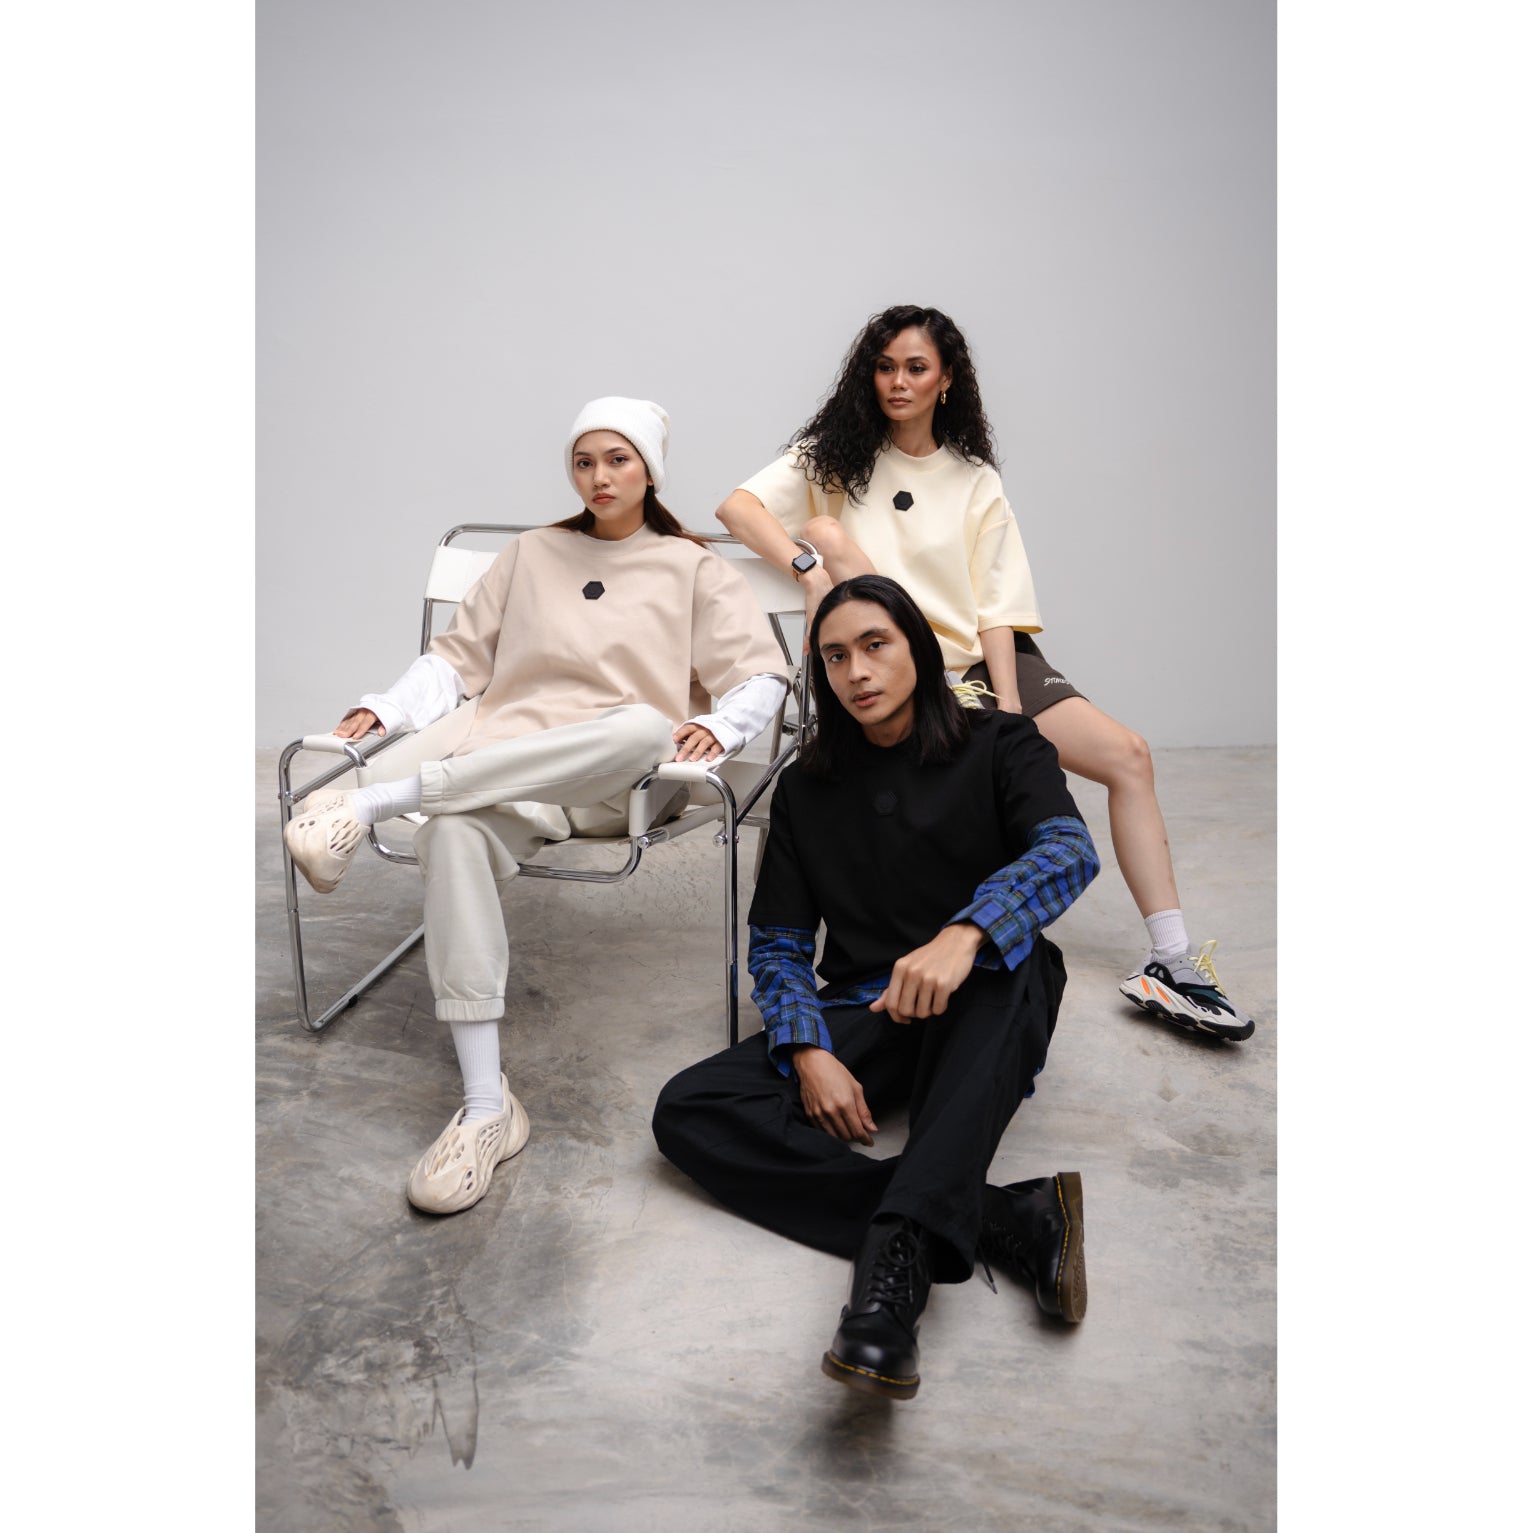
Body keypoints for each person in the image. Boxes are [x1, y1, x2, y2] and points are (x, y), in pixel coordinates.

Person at [286, 397, 790, 1216]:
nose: (599, 476)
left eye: (617, 459)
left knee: (640, 724)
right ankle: (486, 1107)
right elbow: (454, 662)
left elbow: (761, 674)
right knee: (452, 832)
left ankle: (373, 801)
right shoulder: (528, 553)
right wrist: (385, 707)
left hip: (619, 782)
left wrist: (722, 725)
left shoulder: (691, 567)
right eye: (584, 461)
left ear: (650, 469)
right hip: (500, 775)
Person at [716, 305, 1255, 1041]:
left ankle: (1170, 959)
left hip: (980, 659)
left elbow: (997, 606)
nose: (897, 382)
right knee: (824, 529)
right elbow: (738, 508)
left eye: (915, 368)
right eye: (884, 367)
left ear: (946, 381)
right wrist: (808, 564)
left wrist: (1006, 705)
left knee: (1128, 756)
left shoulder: (974, 479)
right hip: (900, 664)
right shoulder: (836, 455)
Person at [653, 574, 1099, 1400]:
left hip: (989, 984)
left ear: (916, 649)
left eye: (873, 645)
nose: (855, 670)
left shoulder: (1002, 742)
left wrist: (965, 934)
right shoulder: (807, 785)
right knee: (691, 1109)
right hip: (870, 1005)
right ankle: (999, 1214)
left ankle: (887, 1294)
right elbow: (779, 943)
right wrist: (808, 1049)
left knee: (1022, 960)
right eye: (833, 656)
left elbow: (1068, 850)